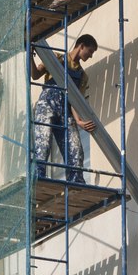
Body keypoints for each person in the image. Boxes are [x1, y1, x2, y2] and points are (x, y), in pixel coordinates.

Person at [31, 34, 98, 183]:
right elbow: (35, 75)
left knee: (76, 150)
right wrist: (30, 56)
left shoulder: (82, 76)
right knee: (43, 142)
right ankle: (38, 177)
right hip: (47, 104)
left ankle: (75, 181)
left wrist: (79, 121)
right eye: (90, 51)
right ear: (81, 46)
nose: (91, 56)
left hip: (65, 111)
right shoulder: (56, 59)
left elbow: (76, 102)